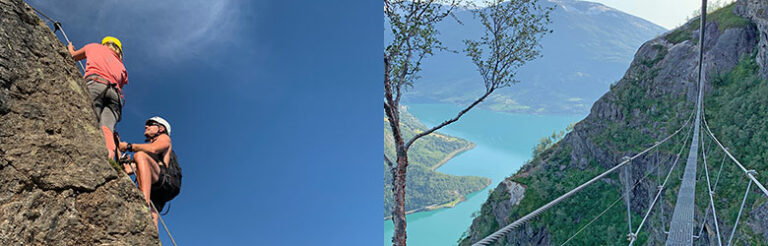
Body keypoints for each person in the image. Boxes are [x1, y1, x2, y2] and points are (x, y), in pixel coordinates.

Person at [68, 36, 128, 161]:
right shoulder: (122, 67)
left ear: (104, 43)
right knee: (107, 128)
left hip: (96, 84)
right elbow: (120, 83)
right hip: (115, 96)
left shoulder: (94, 46)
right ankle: (109, 158)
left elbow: (73, 56)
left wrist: (70, 48)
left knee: (88, 118)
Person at [119, 116, 173, 228]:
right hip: (159, 187)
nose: (146, 126)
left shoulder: (164, 138)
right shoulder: (151, 151)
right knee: (153, 215)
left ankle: (142, 204)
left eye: (151, 124)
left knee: (140, 155)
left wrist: (129, 146)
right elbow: (130, 169)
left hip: (163, 180)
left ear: (161, 129)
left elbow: (154, 149)